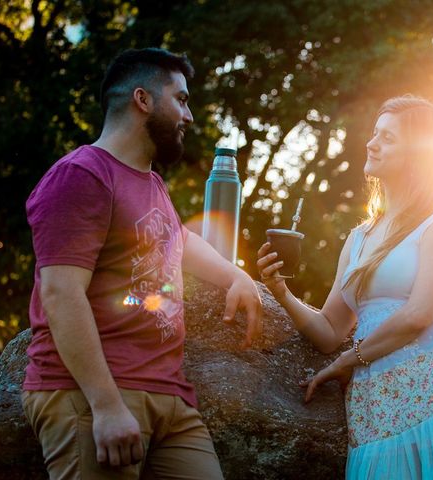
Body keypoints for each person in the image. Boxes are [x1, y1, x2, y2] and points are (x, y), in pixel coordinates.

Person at [257, 95, 433, 479]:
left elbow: (419, 315)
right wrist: (280, 291)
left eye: (387, 137)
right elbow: (330, 330)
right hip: (381, 402)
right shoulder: (358, 238)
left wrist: (347, 361)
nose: (371, 143)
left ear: (418, 155)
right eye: (374, 134)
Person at [22, 47, 263, 479]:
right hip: (93, 396)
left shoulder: (152, 184)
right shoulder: (81, 174)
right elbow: (60, 292)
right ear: (143, 99)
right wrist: (106, 405)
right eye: (182, 99)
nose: (189, 116)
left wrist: (236, 274)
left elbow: (180, 240)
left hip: (170, 400)